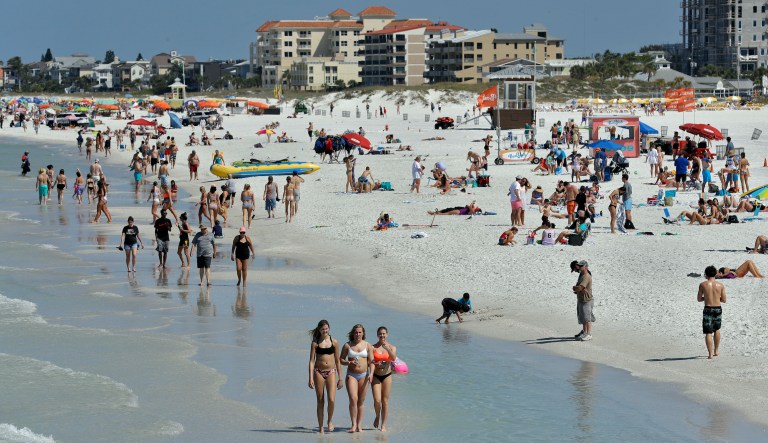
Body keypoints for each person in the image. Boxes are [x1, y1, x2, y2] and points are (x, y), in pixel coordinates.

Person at [308, 320, 343, 434]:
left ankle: (329, 421)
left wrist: (340, 378)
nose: (325, 331)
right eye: (323, 329)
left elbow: (337, 361)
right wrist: (310, 378)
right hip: (318, 372)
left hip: (331, 372)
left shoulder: (334, 342)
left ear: (329, 328)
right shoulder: (315, 343)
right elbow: (312, 361)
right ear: (319, 330)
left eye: (326, 328)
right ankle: (321, 426)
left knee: (331, 400)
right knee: (320, 400)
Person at [340, 324, 374, 433]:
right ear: (352, 333)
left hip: (364, 375)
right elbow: (341, 360)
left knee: (361, 401)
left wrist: (372, 373)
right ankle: (353, 424)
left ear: (363, 333)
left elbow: (371, 362)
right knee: (353, 399)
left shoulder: (368, 346)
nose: (357, 334)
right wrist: (348, 362)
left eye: (360, 332)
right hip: (352, 375)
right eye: (356, 332)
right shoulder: (347, 345)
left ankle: (359, 425)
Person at [371, 326, 397, 432]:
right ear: (377, 335)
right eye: (380, 334)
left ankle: (384, 424)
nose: (382, 335)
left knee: (385, 401)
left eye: (384, 334)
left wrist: (387, 348)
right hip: (376, 376)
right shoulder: (373, 347)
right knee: (377, 400)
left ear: (387, 334)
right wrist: (375, 364)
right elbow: (370, 361)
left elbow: (393, 358)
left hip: (387, 375)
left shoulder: (392, 347)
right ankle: (377, 416)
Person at [698, 265, 727, 359]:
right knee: (717, 329)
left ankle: (710, 354)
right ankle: (716, 351)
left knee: (708, 332)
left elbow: (699, 299)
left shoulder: (703, 284)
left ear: (706, 274)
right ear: (715, 273)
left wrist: (706, 297)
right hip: (718, 308)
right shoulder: (721, 285)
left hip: (708, 308)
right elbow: (724, 300)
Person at [570, 260, 594, 341]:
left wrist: (576, 288)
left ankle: (589, 334)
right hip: (581, 299)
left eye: (581, 266)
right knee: (583, 317)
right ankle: (584, 332)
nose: (579, 268)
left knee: (587, 318)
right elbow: (579, 287)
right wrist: (577, 289)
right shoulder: (582, 275)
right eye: (579, 266)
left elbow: (580, 287)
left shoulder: (586, 276)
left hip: (586, 299)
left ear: (585, 267)